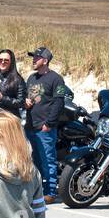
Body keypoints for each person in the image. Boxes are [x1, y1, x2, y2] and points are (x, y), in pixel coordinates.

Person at [23, 46, 69, 201]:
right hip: (30, 126)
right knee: (33, 161)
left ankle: (50, 192)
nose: (34, 60)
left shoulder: (56, 79)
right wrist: (26, 102)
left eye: (36, 58)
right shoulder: (31, 78)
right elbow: (28, 97)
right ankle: (37, 190)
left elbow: (59, 103)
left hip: (45, 128)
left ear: (45, 60)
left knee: (48, 160)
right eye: (33, 58)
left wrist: (49, 123)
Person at [0, 49, 27, 125]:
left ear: (11, 62)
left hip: (8, 120)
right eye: (0, 60)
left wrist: (2, 98)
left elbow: (21, 102)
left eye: (6, 60)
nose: (3, 62)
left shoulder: (18, 79)